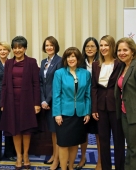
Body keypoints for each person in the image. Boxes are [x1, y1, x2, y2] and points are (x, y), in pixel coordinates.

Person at [0, 36, 41, 170]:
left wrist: (36, 103)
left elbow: (36, 84)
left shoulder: (32, 62)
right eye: (15, 47)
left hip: (28, 101)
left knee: (26, 130)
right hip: (11, 101)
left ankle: (26, 155)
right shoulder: (9, 63)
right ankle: (18, 156)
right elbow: (4, 84)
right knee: (15, 130)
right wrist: (2, 103)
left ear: (25, 48)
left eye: (20, 47)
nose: (17, 50)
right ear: (12, 49)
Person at [53, 47, 91, 170]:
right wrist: (57, 113)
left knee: (75, 143)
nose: (71, 59)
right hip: (64, 113)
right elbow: (56, 94)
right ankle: (64, 168)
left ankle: (71, 167)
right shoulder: (59, 73)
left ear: (78, 58)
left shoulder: (86, 74)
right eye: (69, 56)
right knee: (63, 143)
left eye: (73, 56)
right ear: (65, 59)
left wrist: (87, 112)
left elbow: (88, 95)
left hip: (80, 113)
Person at [92, 35, 125, 170]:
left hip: (116, 106)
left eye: (106, 45)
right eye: (101, 45)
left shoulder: (120, 64)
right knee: (103, 141)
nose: (103, 48)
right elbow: (94, 87)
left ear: (112, 47)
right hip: (100, 107)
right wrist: (94, 108)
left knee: (118, 141)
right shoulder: (96, 65)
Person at [76, 37, 101, 170]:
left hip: (98, 102)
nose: (90, 49)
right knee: (83, 132)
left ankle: (100, 161)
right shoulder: (80, 64)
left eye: (92, 46)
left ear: (97, 48)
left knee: (99, 133)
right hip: (83, 102)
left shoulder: (101, 63)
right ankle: (82, 157)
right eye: (87, 46)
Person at [39, 36, 62, 170]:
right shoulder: (43, 62)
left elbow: (57, 83)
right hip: (45, 102)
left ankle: (57, 159)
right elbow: (41, 82)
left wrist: (47, 100)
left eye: (51, 45)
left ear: (55, 47)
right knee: (52, 131)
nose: (49, 47)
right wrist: (42, 99)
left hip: (56, 101)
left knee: (57, 131)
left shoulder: (60, 61)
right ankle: (54, 154)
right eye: (47, 45)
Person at [114, 37, 136, 170]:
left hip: (134, 115)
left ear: (132, 51)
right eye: (119, 50)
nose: (122, 53)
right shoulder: (123, 66)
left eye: (125, 50)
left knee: (134, 149)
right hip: (124, 113)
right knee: (131, 147)